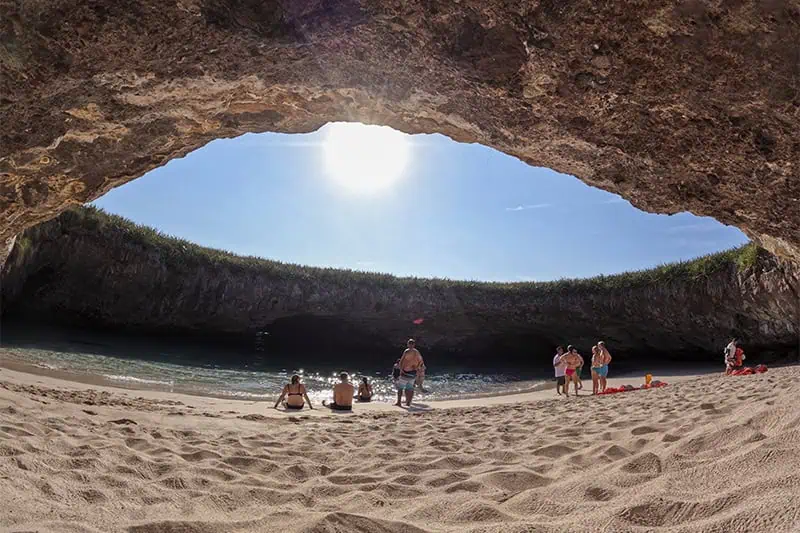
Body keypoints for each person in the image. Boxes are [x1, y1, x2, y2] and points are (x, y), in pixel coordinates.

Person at [396, 338, 424, 407]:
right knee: (410, 388)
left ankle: (399, 402)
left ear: (408, 344)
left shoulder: (407, 351)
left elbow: (401, 361)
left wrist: (401, 370)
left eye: (410, 343)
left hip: (406, 372)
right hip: (413, 372)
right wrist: (417, 368)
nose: (410, 345)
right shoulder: (416, 352)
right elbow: (421, 361)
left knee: (401, 388)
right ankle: (408, 403)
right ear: (413, 345)